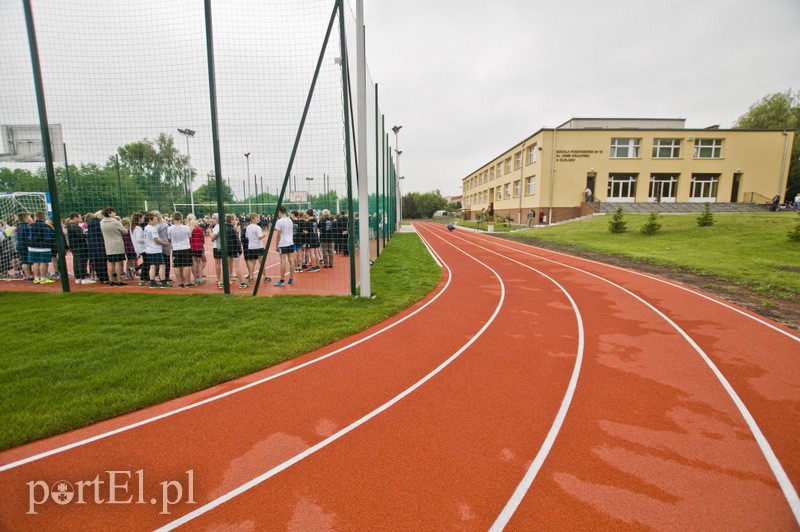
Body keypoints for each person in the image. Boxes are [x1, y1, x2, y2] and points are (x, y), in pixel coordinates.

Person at [100, 206, 129, 285]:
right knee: (118, 262)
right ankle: (119, 280)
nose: (115, 213)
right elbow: (124, 231)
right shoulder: (115, 222)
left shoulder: (102, 222)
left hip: (108, 244)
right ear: (109, 213)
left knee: (110, 262)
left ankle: (111, 279)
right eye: (113, 212)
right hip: (117, 243)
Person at [143, 212, 169, 288]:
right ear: (150, 220)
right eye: (155, 219)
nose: (156, 220)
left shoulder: (146, 228)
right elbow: (155, 239)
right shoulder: (152, 229)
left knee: (152, 266)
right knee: (162, 265)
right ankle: (163, 282)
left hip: (149, 249)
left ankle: (152, 282)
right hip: (155, 249)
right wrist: (163, 243)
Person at [28, 211, 54, 284]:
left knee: (35, 262)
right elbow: (51, 236)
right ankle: (43, 278)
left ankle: (36, 278)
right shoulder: (47, 226)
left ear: (35, 217)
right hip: (44, 247)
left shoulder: (30, 225)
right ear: (44, 217)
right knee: (43, 262)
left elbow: (28, 236)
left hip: (32, 246)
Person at [67, 212, 93, 284]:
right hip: (79, 246)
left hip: (74, 246)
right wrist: (86, 235)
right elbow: (80, 236)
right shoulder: (74, 226)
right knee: (81, 261)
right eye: (79, 217)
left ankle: (78, 277)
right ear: (75, 217)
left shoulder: (70, 225)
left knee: (76, 261)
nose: (80, 219)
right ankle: (83, 277)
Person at [168, 212, 192, 288]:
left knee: (176, 266)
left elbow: (169, 237)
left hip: (176, 248)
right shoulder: (186, 227)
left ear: (173, 219)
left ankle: (179, 282)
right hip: (185, 247)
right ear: (181, 219)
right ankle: (188, 282)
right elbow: (189, 236)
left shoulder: (170, 228)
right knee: (187, 265)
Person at [273, 205, 295, 287]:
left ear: (279, 212)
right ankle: (291, 279)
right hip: (290, 242)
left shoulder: (279, 221)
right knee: (291, 260)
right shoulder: (290, 220)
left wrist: (276, 245)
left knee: (283, 261)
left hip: (283, 243)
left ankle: (282, 280)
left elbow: (278, 235)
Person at [87, 210, 109, 283]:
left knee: (97, 262)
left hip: (92, 245)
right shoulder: (100, 223)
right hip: (100, 244)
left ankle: (101, 277)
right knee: (102, 261)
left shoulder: (90, 223)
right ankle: (104, 278)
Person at [244, 212, 266, 288]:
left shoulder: (248, 227)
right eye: (256, 218)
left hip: (251, 247)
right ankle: (265, 277)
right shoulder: (257, 227)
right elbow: (260, 237)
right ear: (253, 219)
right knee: (262, 263)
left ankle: (251, 277)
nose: (258, 219)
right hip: (259, 247)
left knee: (252, 263)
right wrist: (264, 236)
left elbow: (246, 237)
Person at [186, 213, 206, 285]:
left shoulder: (187, 228)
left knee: (192, 263)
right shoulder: (198, 228)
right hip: (198, 247)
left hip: (190, 247)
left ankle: (195, 278)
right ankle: (200, 278)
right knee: (199, 263)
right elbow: (202, 238)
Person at [15, 212, 33, 281]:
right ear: (25, 218)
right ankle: (29, 276)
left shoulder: (19, 226)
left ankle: (28, 275)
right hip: (25, 245)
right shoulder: (26, 227)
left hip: (20, 245)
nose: (31, 218)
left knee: (24, 261)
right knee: (25, 261)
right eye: (29, 217)